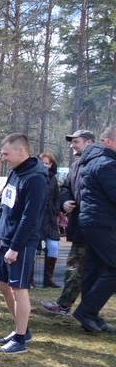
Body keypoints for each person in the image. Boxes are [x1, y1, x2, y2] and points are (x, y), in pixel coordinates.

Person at [0, 133, 47, 353]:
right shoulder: (15, 172)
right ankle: (21, 329)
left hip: (21, 243)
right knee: (3, 285)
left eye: (6, 153)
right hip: (5, 238)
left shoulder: (35, 179)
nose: (3, 158)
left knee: (18, 288)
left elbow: (30, 218)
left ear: (21, 151)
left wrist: (15, 247)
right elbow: (6, 207)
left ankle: (21, 339)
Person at [42, 130, 94, 316]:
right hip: (80, 226)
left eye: (76, 142)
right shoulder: (75, 166)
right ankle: (72, 308)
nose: (72, 145)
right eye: (72, 142)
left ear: (89, 142)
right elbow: (66, 189)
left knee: (84, 270)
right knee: (76, 268)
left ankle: (78, 309)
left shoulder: (101, 164)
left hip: (97, 227)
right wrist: (65, 202)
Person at [71, 127, 116, 333]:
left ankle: (90, 317)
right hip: (102, 223)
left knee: (95, 268)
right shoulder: (106, 163)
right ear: (108, 142)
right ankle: (87, 312)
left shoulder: (94, 161)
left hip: (93, 222)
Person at [37, 152, 61, 288]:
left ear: (51, 165)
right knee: (33, 248)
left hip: (50, 218)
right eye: (42, 163)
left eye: (47, 163)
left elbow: (57, 197)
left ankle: (48, 279)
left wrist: (55, 209)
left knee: (53, 246)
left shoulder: (53, 180)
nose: (45, 165)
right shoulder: (34, 176)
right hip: (36, 217)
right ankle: (30, 280)